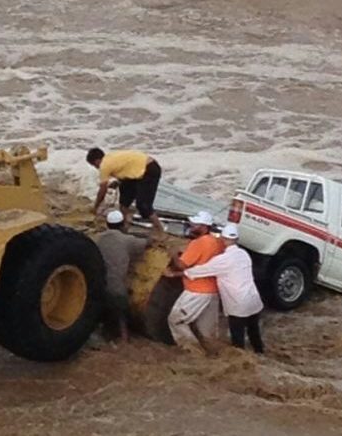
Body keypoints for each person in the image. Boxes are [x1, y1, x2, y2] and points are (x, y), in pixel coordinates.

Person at [184, 223, 264, 354]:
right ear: (237, 239)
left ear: (222, 239)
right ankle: (259, 353)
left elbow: (202, 270)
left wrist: (183, 272)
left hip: (237, 303)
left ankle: (240, 361)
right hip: (253, 298)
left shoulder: (223, 259)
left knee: (237, 338)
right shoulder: (244, 254)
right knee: (253, 331)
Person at [165, 211, 224, 352]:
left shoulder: (198, 243)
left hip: (196, 291)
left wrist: (173, 254)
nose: (191, 225)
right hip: (213, 291)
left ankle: (193, 352)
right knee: (206, 332)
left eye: (195, 224)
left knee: (175, 320)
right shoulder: (217, 242)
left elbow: (181, 265)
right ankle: (214, 356)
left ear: (204, 227)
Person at [95, 210, 150, 342]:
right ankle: (124, 340)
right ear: (122, 225)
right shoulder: (127, 240)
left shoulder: (99, 238)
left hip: (98, 286)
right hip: (116, 289)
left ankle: (105, 333)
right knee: (121, 315)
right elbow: (148, 243)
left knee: (104, 315)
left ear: (107, 224)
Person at [86, 147, 164, 236]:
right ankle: (124, 226)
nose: (96, 168)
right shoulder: (110, 158)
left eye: (94, 165)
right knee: (124, 202)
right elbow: (126, 169)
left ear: (97, 161)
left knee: (143, 205)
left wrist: (96, 206)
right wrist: (118, 182)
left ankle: (159, 229)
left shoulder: (104, 165)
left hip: (149, 169)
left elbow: (103, 189)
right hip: (138, 170)